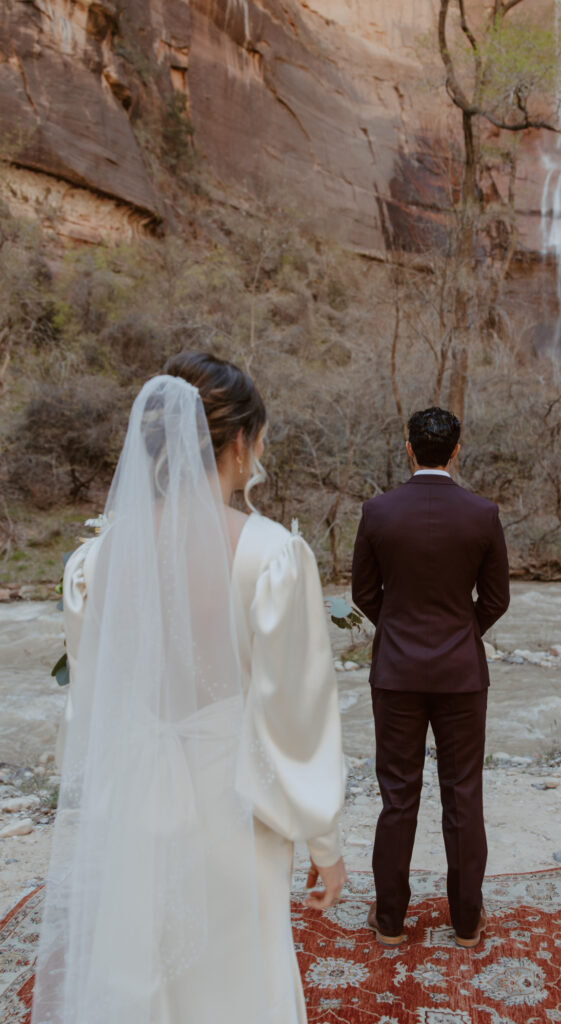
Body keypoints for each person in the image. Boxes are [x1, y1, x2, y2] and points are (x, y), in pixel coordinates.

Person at [32, 353, 347, 1024]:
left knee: (140, 972)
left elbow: (94, 698)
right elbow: (295, 715)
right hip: (233, 806)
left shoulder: (93, 564)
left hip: (135, 802)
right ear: (239, 443)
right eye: (258, 439)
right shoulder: (271, 557)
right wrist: (323, 842)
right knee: (234, 981)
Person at [351, 406, 509, 950]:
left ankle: (390, 921)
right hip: (462, 674)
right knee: (463, 794)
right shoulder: (483, 513)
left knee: (397, 796)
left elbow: (363, 594)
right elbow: (496, 599)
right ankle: (466, 922)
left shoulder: (377, 511)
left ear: (409, 446)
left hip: (395, 673)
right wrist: (462, 633)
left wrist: (395, 628)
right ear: (457, 450)